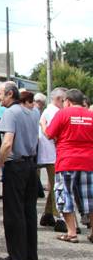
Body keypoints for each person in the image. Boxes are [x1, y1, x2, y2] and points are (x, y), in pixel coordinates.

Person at [0, 81, 39, 260]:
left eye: (0, 93)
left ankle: (17, 256)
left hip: (16, 165)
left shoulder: (11, 113)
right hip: (30, 164)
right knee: (29, 210)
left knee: (14, 212)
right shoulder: (33, 112)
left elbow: (7, 142)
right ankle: (30, 254)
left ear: (10, 94)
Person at [45, 89, 93, 243]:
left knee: (65, 196)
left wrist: (43, 124)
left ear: (68, 101)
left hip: (67, 161)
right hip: (89, 162)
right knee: (90, 198)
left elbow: (49, 134)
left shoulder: (63, 114)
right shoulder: (91, 115)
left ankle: (71, 233)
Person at [38, 88, 66, 227]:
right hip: (52, 154)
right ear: (59, 99)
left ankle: (48, 214)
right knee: (57, 186)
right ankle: (60, 217)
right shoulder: (55, 112)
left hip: (48, 153)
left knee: (54, 185)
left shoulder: (49, 111)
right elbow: (53, 134)